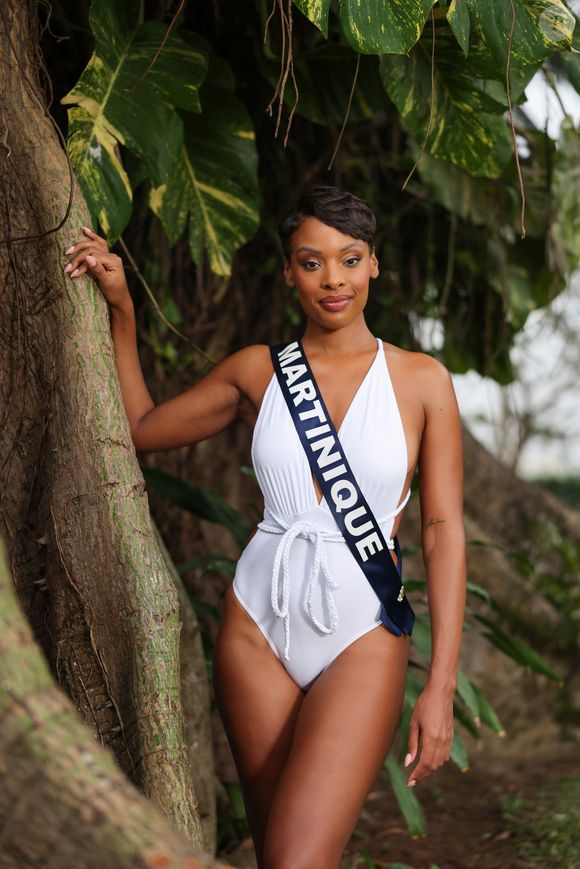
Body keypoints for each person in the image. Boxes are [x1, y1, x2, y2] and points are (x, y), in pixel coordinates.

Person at [64, 185, 466, 869]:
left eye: (349, 259)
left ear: (373, 266)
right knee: (281, 849)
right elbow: (141, 428)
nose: (332, 279)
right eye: (311, 262)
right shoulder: (258, 370)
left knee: (296, 857)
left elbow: (442, 527)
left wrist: (442, 683)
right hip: (257, 626)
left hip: (363, 631)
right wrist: (123, 309)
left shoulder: (422, 379)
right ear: (288, 271)